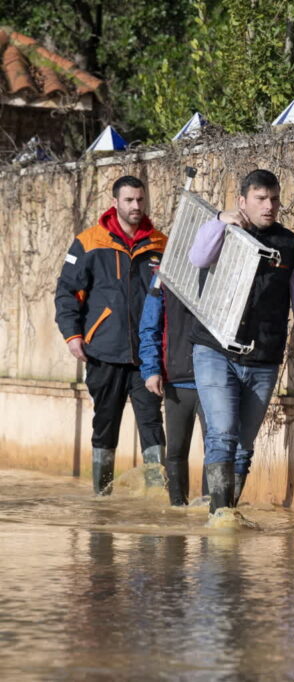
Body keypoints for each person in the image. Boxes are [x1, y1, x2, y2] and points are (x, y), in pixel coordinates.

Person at [189, 169, 294, 514]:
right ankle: (220, 518)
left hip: (263, 355)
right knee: (221, 434)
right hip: (215, 348)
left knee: (244, 445)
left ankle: (226, 514)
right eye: (261, 199)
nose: (269, 206)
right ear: (243, 201)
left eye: (274, 199)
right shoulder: (224, 230)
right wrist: (220, 220)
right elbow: (198, 258)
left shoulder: (290, 245)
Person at [55, 176, 168, 494]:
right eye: (129, 200)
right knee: (105, 425)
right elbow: (66, 292)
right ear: (115, 201)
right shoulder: (89, 241)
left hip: (146, 356)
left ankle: (156, 498)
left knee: (151, 425)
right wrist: (73, 335)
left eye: (140, 200)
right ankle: (101, 497)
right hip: (103, 351)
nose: (136, 206)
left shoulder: (160, 244)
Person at [138, 271, 207, 506]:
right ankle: (178, 509)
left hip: (216, 380)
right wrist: (151, 370)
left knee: (218, 451)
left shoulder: (225, 268)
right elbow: (149, 326)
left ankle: (213, 509)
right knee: (176, 451)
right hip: (177, 379)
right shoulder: (163, 275)